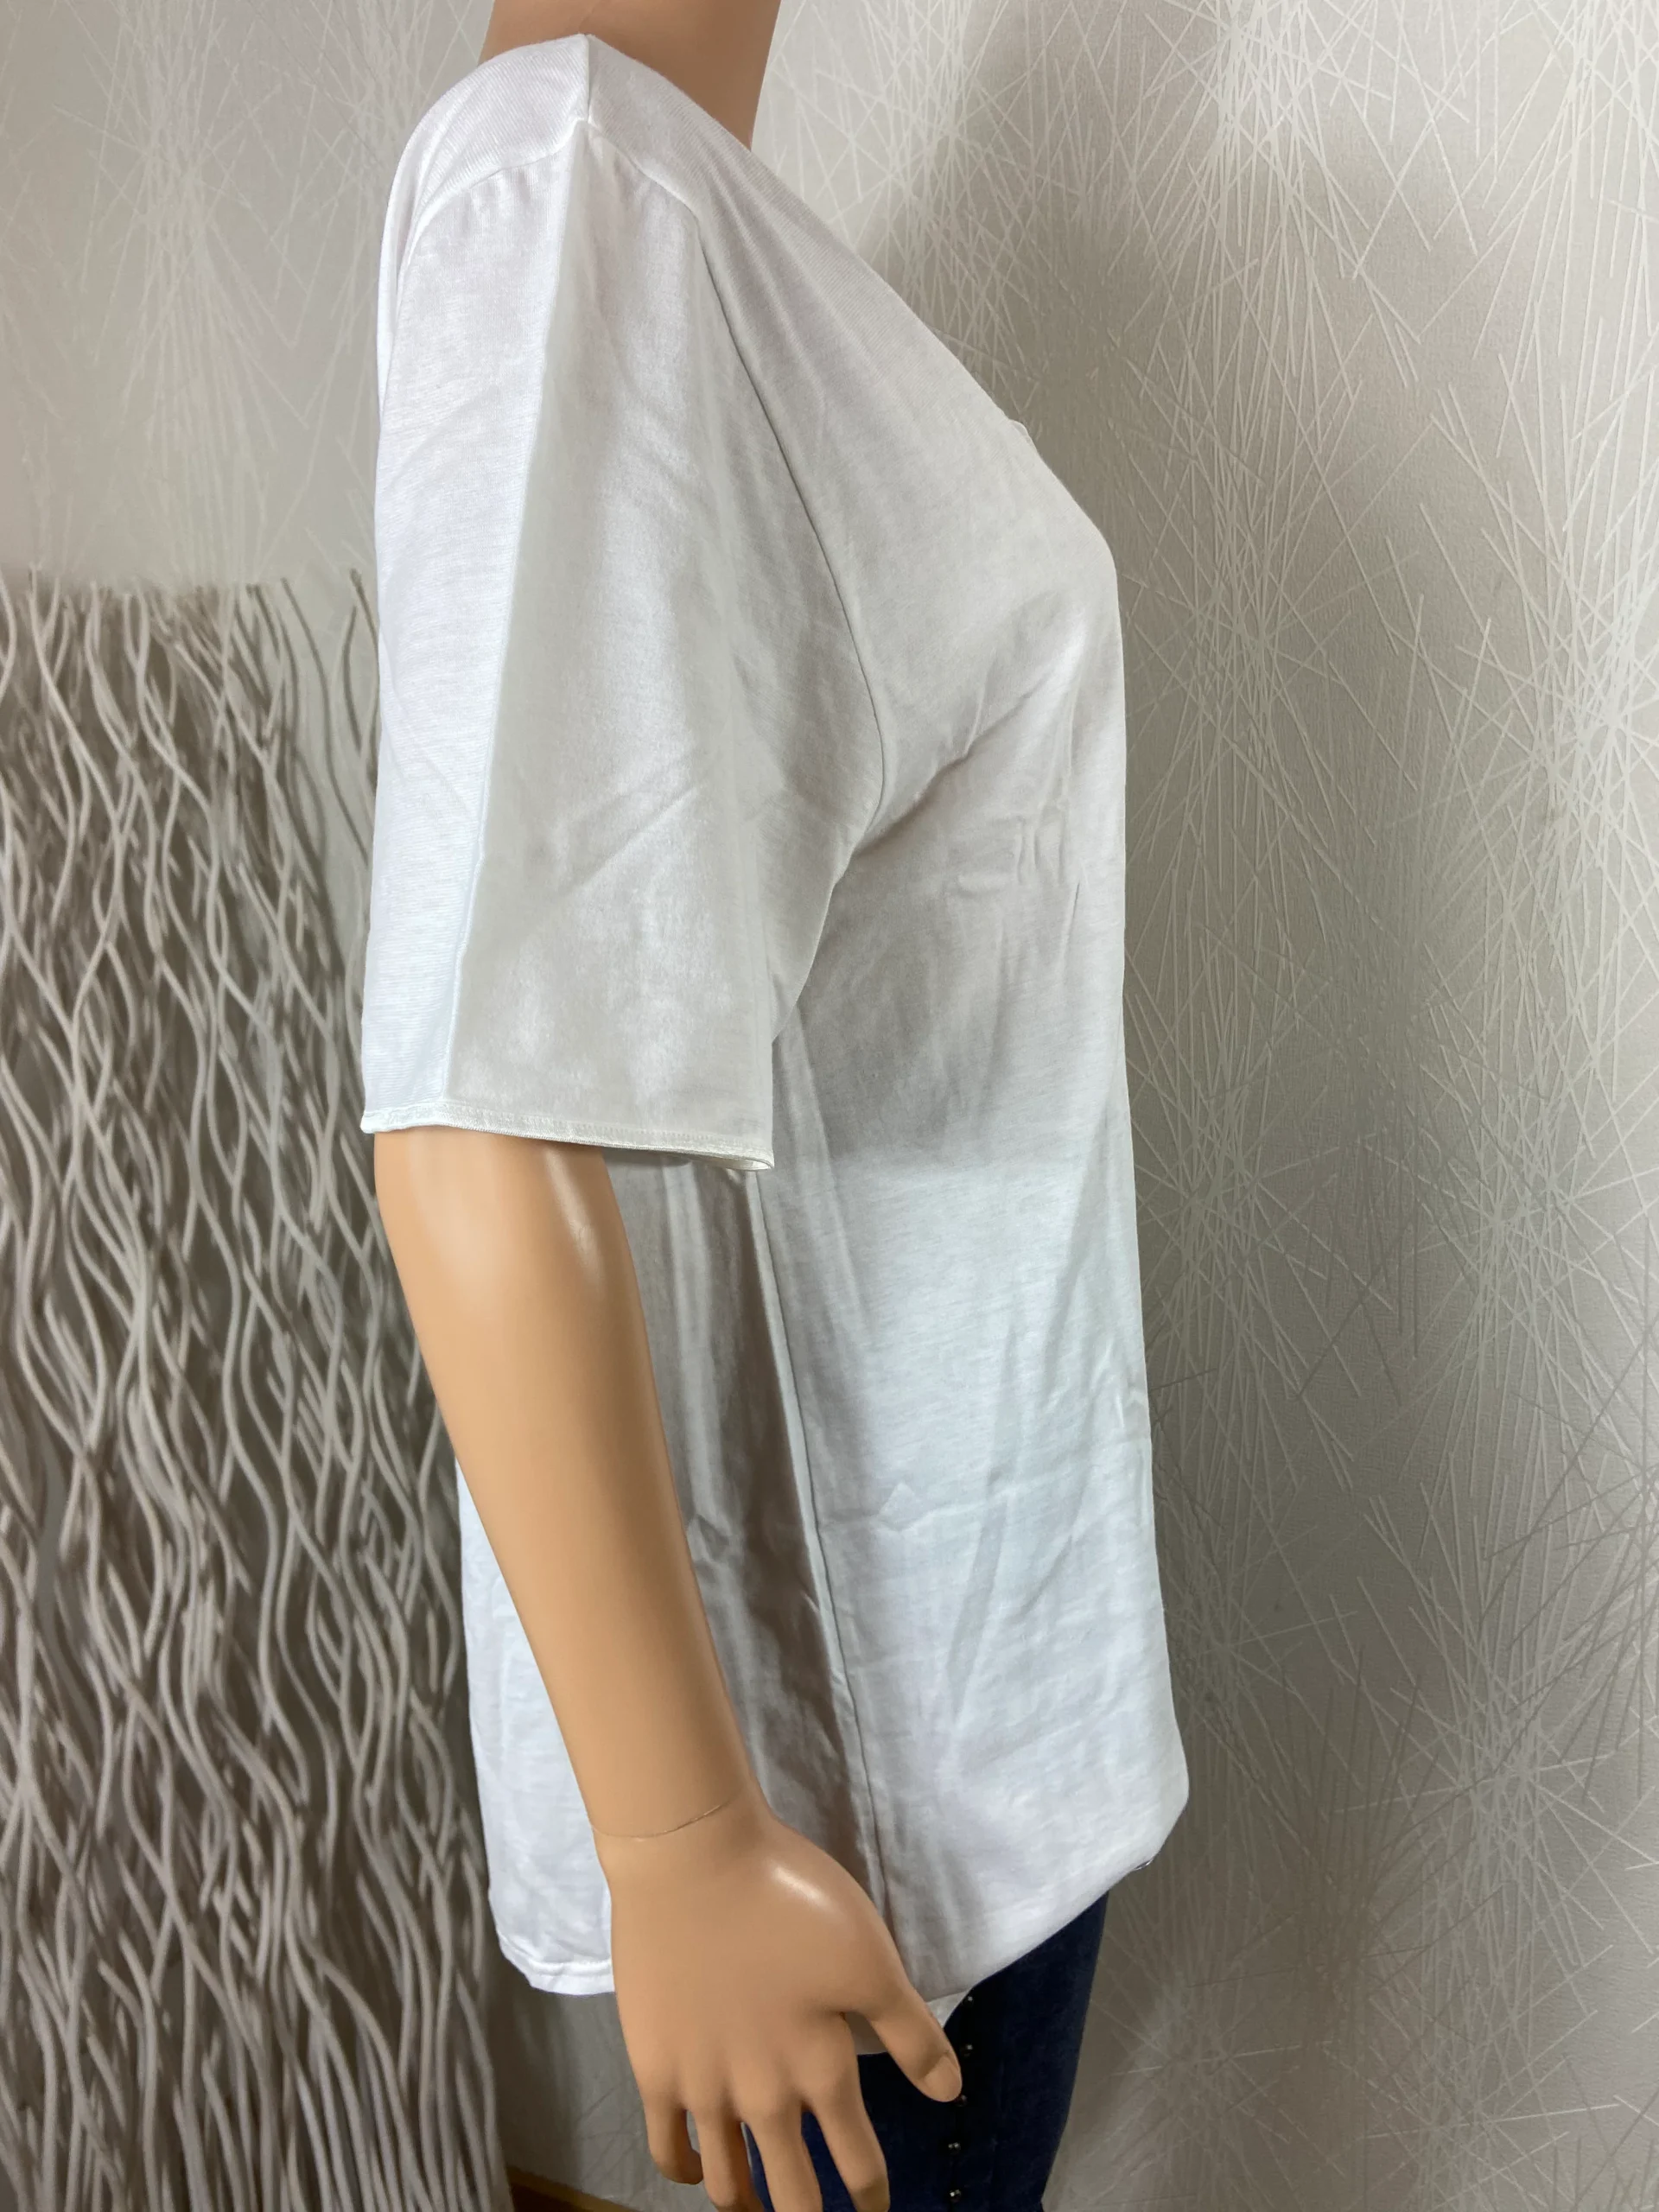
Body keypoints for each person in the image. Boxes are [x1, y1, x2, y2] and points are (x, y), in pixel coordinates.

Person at [362, 4, 1190, 2209]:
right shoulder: (566, 178)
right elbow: (469, 1102)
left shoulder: (691, 225)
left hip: (974, 1675)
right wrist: (687, 1839)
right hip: (844, 1794)